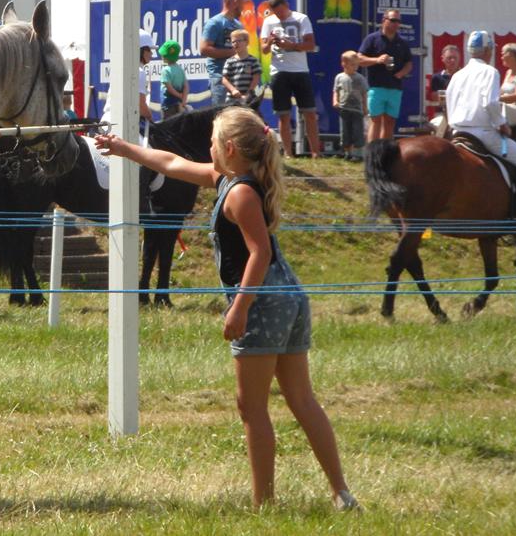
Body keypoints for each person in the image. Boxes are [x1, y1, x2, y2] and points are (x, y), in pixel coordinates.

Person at [94, 108, 358, 511]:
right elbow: (171, 162)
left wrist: (239, 307)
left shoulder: (239, 194)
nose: (208, 148)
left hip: (262, 301)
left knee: (250, 407)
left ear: (229, 148)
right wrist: (125, 149)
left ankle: (263, 504)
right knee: (301, 400)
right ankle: (341, 493)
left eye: (213, 143)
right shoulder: (230, 180)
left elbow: (259, 252)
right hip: (288, 297)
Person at [446, 31, 516, 220]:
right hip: (483, 133)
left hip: (457, 132)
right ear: (488, 50)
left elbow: (448, 100)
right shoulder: (491, 72)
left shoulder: (458, 74)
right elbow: (490, 103)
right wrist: (502, 124)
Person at [260, 0, 322, 158]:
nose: (280, 16)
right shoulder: (268, 21)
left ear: (287, 5)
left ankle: (315, 152)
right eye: (276, 13)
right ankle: (288, 153)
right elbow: (263, 50)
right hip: (279, 72)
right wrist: (271, 41)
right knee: (283, 114)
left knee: (309, 112)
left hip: (300, 70)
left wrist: (291, 45)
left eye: (281, 12)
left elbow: (310, 45)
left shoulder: (301, 19)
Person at [357, 9, 413, 143]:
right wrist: (377, 60)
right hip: (376, 87)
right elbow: (359, 59)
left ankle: (385, 154)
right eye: (393, 20)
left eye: (398, 21)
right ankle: (372, 154)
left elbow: (409, 63)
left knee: (390, 122)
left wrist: (402, 73)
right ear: (384, 20)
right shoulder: (372, 39)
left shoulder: (402, 42)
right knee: (375, 121)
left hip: (395, 88)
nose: (396, 24)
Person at [200, 0, 244, 105]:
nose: (243, 8)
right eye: (242, 4)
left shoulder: (239, 25)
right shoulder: (214, 23)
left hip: (238, 76)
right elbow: (204, 49)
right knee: (221, 114)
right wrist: (234, 52)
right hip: (219, 76)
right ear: (235, 3)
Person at [332, 51, 368, 161]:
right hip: (344, 109)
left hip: (357, 110)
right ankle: (347, 153)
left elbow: (365, 93)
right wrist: (335, 100)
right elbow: (335, 91)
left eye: (357, 65)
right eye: (353, 65)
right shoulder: (339, 77)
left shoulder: (360, 78)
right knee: (345, 132)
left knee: (357, 132)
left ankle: (358, 154)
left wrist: (365, 107)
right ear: (344, 64)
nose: (355, 67)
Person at [221, 29, 261, 105]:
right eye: (233, 42)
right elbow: (224, 79)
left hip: (249, 98)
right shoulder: (229, 61)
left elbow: (256, 77)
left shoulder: (253, 60)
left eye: (238, 41)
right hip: (232, 99)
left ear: (246, 42)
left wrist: (248, 93)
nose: (235, 44)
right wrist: (233, 90)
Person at [158, 39, 188, 118]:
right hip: (179, 104)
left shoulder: (165, 70)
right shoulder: (180, 70)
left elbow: (169, 88)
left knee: (167, 127)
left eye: (163, 55)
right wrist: (183, 100)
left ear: (165, 56)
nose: (161, 56)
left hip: (167, 105)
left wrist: (179, 95)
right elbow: (186, 86)